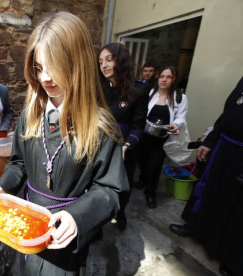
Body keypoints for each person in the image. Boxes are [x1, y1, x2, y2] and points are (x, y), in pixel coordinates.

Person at [0, 12, 129, 276]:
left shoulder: (101, 127)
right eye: (38, 67)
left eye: (54, 67)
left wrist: (77, 217)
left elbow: (111, 190)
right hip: (25, 227)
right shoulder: (30, 115)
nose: (45, 78)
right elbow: (19, 164)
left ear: (77, 64)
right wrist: (1, 189)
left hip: (63, 235)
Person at [169, 77, 243, 276]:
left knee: (236, 209)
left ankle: (231, 259)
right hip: (224, 148)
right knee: (209, 191)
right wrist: (210, 141)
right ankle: (197, 230)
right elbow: (226, 115)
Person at [98, 43, 149, 231]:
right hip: (101, 142)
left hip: (125, 145)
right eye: (101, 61)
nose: (104, 65)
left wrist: (126, 145)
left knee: (122, 185)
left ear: (122, 60)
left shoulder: (138, 90)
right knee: (98, 183)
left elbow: (138, 125)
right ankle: (98, 218)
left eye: (109, 59)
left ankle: (120, 213)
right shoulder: (99, 88)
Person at [139, 66, 188, 208]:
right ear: (158, 77)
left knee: (155, 164)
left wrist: (176, 125)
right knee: (143, 160)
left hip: (162, 138)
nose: (164, 80)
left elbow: (181, 117)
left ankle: (150, 192)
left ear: (173, 80)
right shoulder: (149, 93)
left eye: (169, 77)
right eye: (162, 76)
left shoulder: (180, 98)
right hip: (145, 135)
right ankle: (143, 179)